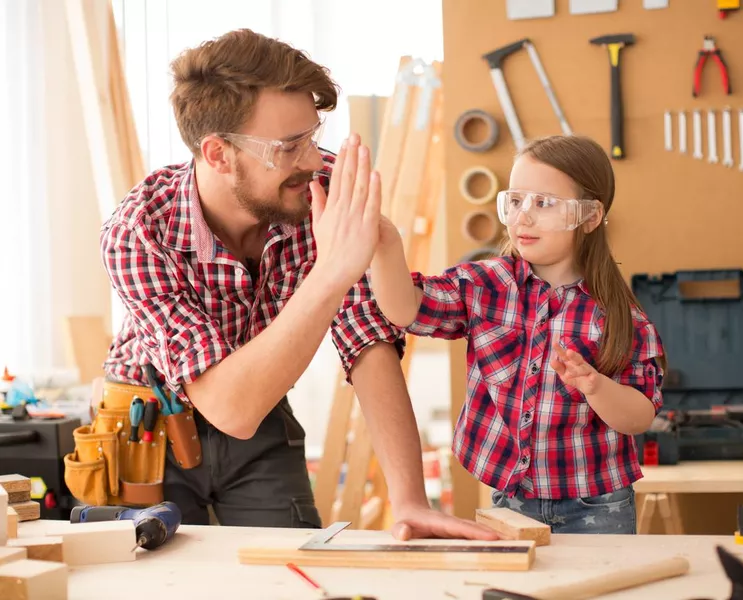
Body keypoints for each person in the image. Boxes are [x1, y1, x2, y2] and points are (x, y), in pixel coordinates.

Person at [93, 28, 496, 541]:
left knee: (292, 571)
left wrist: (410, 500)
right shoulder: (139, 231)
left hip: (261, 409)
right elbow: (228, 405)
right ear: (218, 153)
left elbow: (366, 339)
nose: (311, 160)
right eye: (288, 147)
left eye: (312, 136)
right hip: (147, 425)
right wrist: (333, 269)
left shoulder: (317, 189)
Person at [368, 134, 667, 534]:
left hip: (598, 507)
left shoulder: (617, 317)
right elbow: (406, 309)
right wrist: (386, 244)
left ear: (590, 216)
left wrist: (594, 386)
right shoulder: (486, 286)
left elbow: (639, 416)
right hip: (510, 500)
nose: (522, 217)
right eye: (515, 201)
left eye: (543, 203)